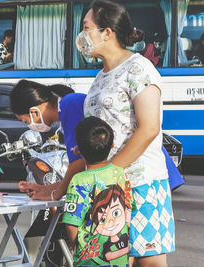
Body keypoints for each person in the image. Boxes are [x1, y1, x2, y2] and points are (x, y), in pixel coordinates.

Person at [79, 1, 174, 266]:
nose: (81, 36)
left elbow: (149, 128)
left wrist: (110, 170)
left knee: (149, 261)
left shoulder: (139, 69)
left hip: (141, 183)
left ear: (107, 32)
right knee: (113, 260)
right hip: (108, 186)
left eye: (86, 28)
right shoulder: (101, 76)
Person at [62, 116, 133, 267]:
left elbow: (71, 223)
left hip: (89, 259)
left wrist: (76, 246)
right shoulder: (120, 173)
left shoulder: (79, 180)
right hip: (119, 259)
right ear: (112, 145)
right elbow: (128, 208)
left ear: (78, 150)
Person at [10, 80, 87, 201]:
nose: (28, 125)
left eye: (26, 121)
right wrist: (43, 189)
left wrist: (55, 194)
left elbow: (78, 163)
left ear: (34, 112)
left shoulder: (69, 105)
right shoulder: (67, 107)